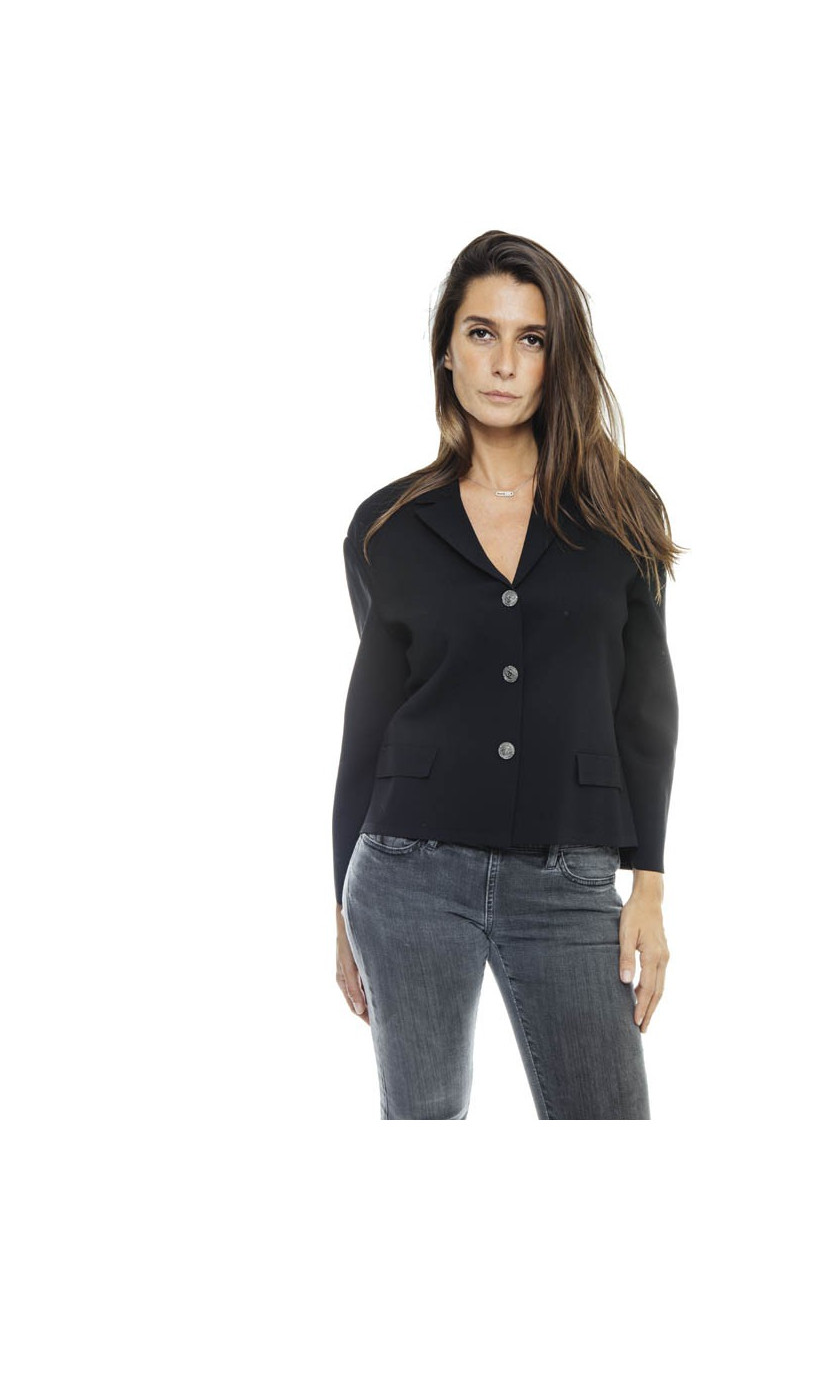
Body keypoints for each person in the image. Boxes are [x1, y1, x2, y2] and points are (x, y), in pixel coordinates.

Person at [332, 230, 683, 1119]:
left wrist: (647, 885)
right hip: (405, 875)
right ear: (446, 350)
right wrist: (340, 904)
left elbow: (646, 712)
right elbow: (371, 726)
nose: (504, 363)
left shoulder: (621, 514)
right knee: (423, 1125)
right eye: (481, 333)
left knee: (608, 1123)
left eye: (532, 339)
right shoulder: (386, 527)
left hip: (570, 879)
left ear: (558, 361)